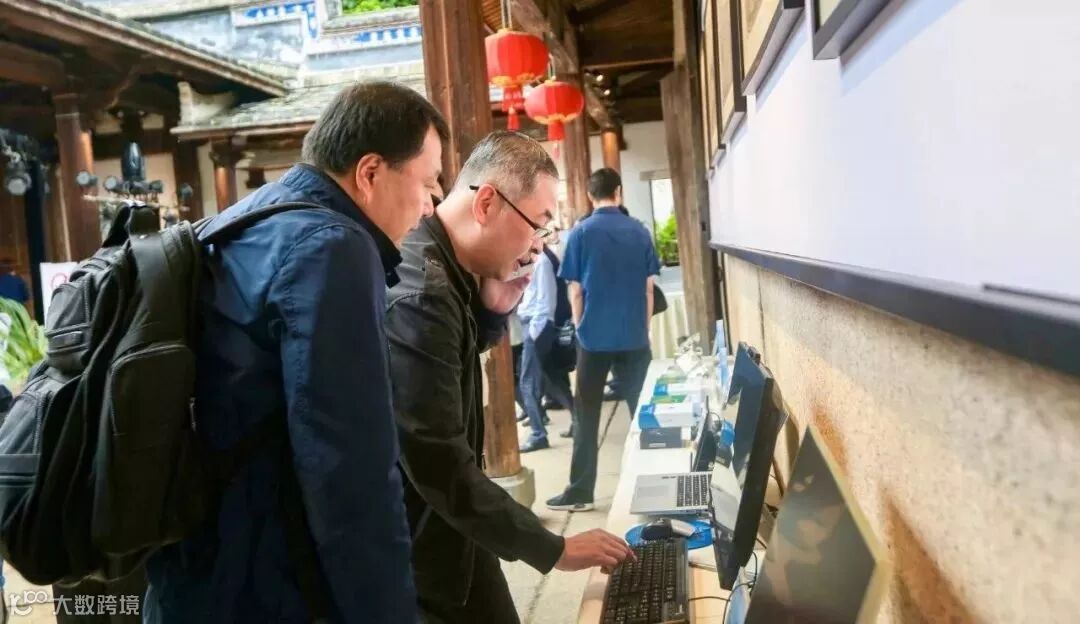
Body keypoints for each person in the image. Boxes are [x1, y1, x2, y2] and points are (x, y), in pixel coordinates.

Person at [143, 81, 447, 623]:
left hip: (193, 570)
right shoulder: (333, 247)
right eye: (427, 183)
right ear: (370, 173)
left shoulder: (246, 218)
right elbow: (349, 471)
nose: (431, 204)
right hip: (264, 585)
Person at [385, 131, 635, 623]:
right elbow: (435, 458)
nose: (537, 247)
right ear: (486, 203)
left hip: (456, 522)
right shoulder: (421, 292)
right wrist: (553, 547)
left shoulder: (448, 267)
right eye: (537, 225)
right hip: (419, 541)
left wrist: (494, 311)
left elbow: (449, 367)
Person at [547, 168, 661, 512]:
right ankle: (658, 485)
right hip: (634, 337)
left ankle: (581, 492)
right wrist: (644, 328)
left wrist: (580, 326)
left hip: (593, 338)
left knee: (586, 415)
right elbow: (649, 289)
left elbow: (576, 291)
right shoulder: (639, 231)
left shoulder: (580, 232)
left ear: (589, 195)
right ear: (619, 192)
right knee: (645, 414)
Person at [516, 243, 576, 452]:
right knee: (552, 377)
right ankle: (579, 421)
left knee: (527, 382)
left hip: (537, 325)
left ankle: (538, 434)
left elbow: (545, 301)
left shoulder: (541, 261)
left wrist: (534, 332)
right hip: (536, 325)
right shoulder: (536, 259)